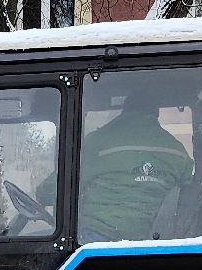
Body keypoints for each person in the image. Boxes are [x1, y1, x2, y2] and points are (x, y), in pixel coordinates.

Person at [75, 75, 194, 242]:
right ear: (155, 114)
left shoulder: (96, 142)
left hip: (97, 240)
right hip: (151, 240)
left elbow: (59, 184)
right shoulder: (177, 151)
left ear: (126, 109)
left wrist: (41, 193)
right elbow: (190, 190)